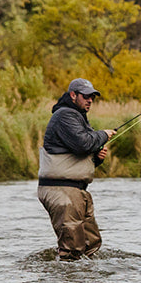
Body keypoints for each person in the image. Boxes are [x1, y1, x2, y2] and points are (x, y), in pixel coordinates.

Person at [38, 77, 118, 260]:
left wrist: (96, 159)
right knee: (72, 249)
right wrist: (103, 135)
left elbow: (79, 153)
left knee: (91, 244)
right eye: (86, 96)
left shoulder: (78, 117)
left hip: (76, 190)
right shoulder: (65, 115)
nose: (90, 100)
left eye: (93, 97)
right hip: (62, 190)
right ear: (73, 95)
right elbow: (83, 144)